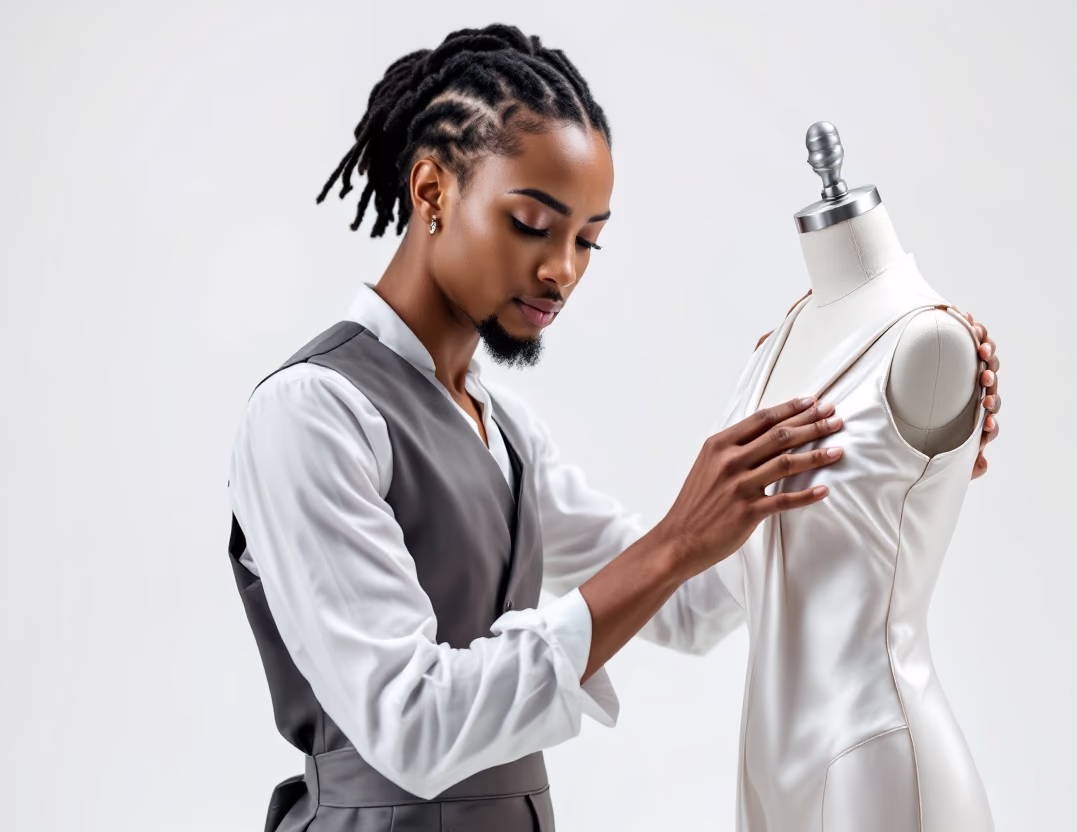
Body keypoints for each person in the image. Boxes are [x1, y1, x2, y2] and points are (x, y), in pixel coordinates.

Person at [226, 23, 1001, 832]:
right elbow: (412, 724)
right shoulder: (311, 413)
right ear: (431, 192)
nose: (563, 270)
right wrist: (674, 542)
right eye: (533, 222)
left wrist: (885, 454)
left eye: (588, 240)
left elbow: (693, 604)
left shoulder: (506, 431)